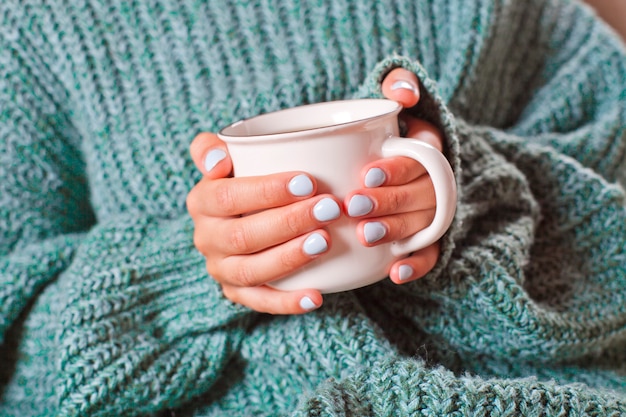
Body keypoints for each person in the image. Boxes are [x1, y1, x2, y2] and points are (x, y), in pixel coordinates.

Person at [0, 0, 625, 416]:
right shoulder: (41, 26)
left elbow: (612, 218)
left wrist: (467, 187)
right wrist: (185, 276)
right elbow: (15, 357)